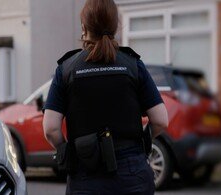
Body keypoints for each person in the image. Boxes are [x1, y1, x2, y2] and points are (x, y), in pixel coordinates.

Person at [42, 0, 168, 194]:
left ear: (84, 27)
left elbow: (50, 128)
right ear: (116, 26)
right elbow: (160, 120)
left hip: (85, 174)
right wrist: (141, 143)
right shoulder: (133, 65)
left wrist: (69, 152)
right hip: (133, 174)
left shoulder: (66, 69)